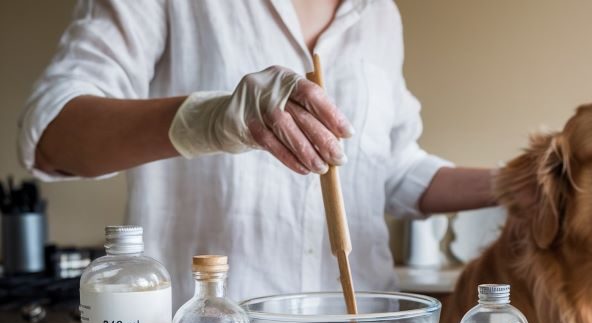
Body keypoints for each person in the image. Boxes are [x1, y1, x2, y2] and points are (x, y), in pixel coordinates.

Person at [18, 0, 495, 305]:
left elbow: (390, 171)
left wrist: (517, 183)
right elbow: (52, 134)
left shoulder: (380, 16)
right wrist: (209, 119)